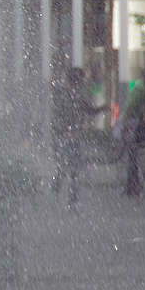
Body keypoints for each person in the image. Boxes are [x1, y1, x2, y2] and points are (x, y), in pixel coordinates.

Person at [50, 67, 101, 207]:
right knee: (64, 168)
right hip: (62, 138)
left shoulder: (77, 94)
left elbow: (88, 109)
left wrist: (102, 109)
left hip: (74, 137)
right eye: (82, 79)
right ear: (77, 80)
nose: (84, 82)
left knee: (74, 170)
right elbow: (59, 116)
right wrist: (65, 132)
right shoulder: (64, 94)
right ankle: (55, 194)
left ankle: (73, 200)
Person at [119, 69, 145, 197]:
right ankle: (132, 187)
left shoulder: (144, 89)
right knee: (136, 154)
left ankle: (132, 187)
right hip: (135, 126)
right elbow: (129, 107)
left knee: (134, 157)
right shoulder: (141, 90)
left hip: (136, 126)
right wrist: (125, 125)